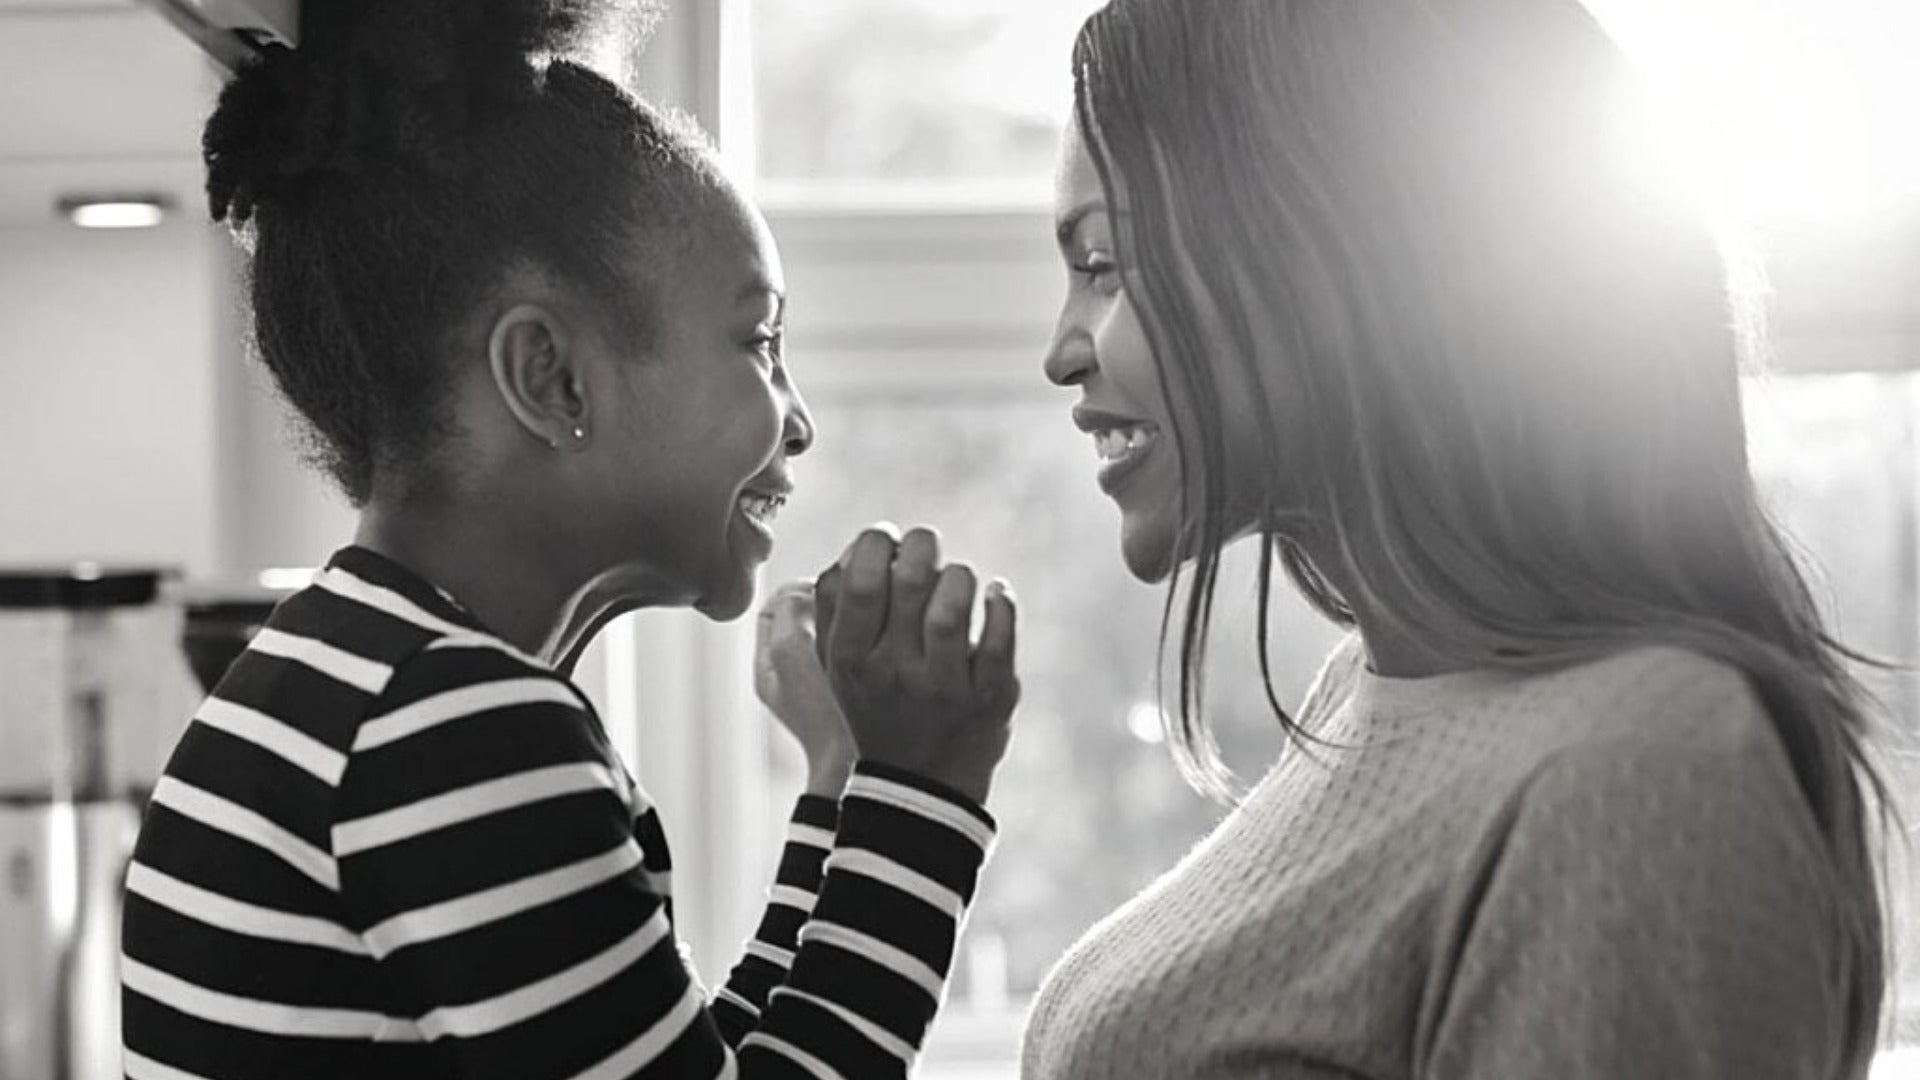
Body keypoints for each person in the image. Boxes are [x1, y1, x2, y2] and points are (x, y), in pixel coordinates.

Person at [118, 2, 1019, 1078]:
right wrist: (928, 792)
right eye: (759, 340)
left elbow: (702, 1060)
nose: (797, 416)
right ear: (550, 378)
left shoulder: (346, 679)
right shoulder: (457, 731)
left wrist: (843, 780)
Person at [1013, 0, 1897, 1077]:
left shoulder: (1639, 778)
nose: (1062, 352)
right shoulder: (1377, 690)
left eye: (1103, 264)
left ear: (1336, 253)